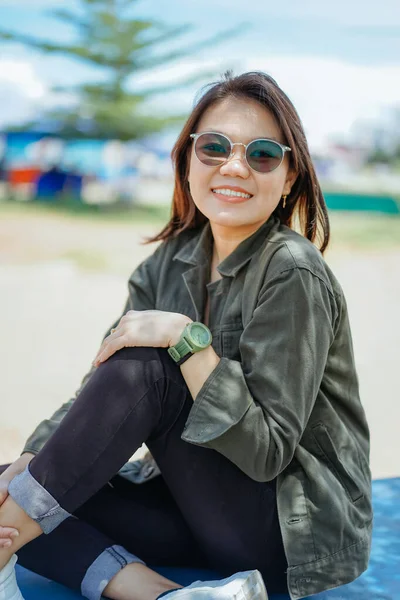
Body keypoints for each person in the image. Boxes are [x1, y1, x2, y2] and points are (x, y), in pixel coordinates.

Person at [0, 71, 372, 600]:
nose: (234, 166)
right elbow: (98, 394)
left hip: (284, 532)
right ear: (188, 160)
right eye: (214, 147)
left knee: (148, 365)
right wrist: (35, 458)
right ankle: (164, 595)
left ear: (289, 177)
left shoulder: (291, 270)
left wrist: (187, 339)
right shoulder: (167, 262)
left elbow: (268, 452)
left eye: (263, 154)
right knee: (10, 485)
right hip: (188, 509)